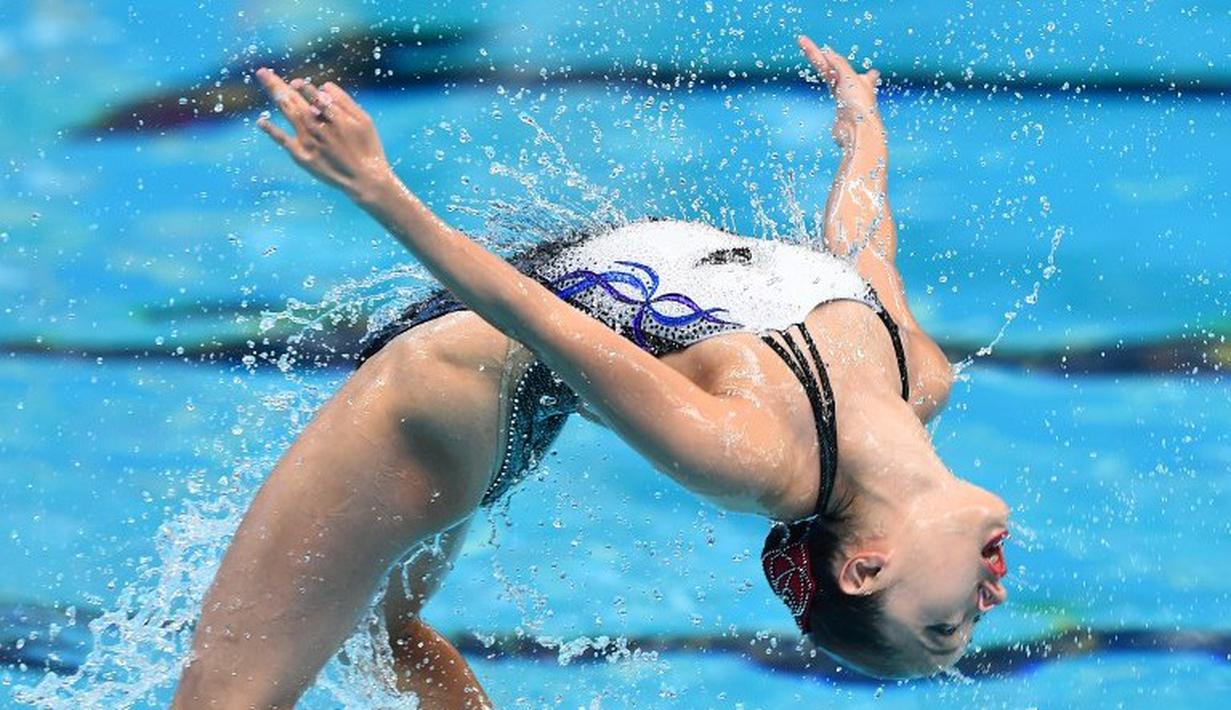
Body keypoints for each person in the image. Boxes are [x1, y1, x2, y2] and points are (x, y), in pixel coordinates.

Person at [171, 35, 1011, 708]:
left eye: (942, 627)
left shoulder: (751, 453)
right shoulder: (917, 380)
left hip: (434, 406)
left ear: (864, 568)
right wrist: (864, 127)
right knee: (389, 632)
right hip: (491, 398)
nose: (984, 607)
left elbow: (541, 319)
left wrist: (377, 188)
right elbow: (864, 248)